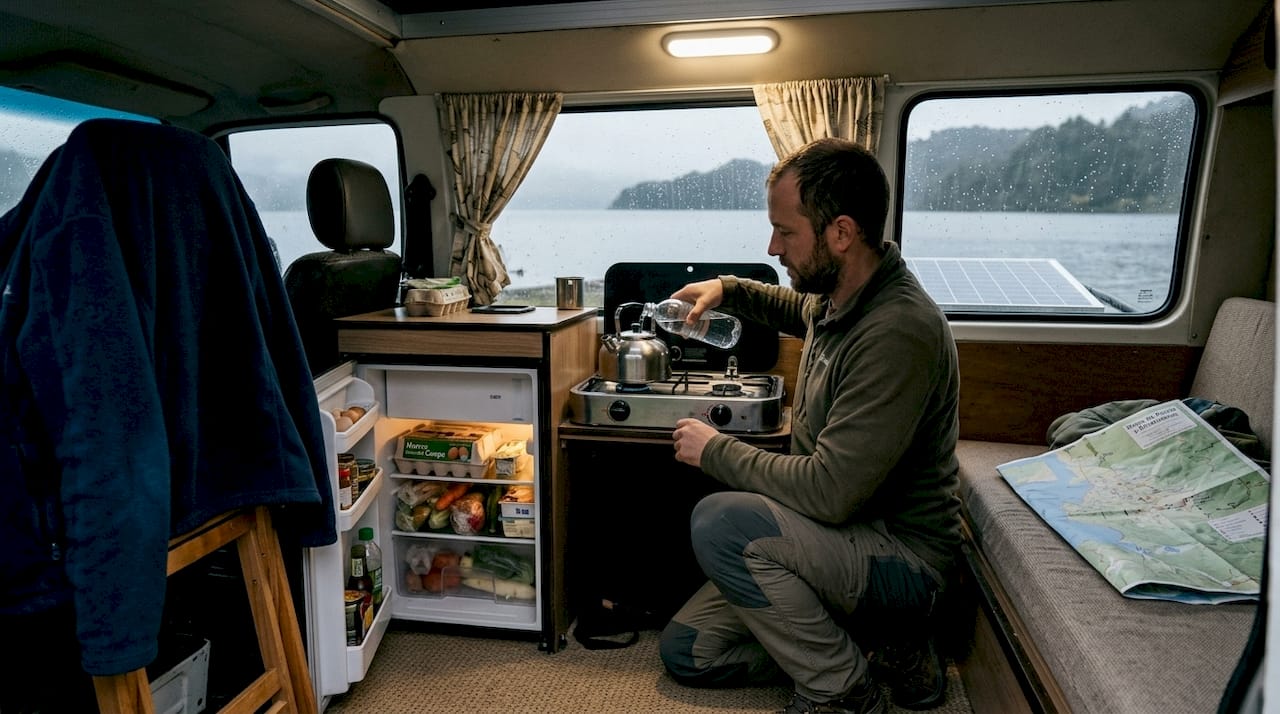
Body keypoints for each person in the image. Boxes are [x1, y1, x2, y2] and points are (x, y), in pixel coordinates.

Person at [657, 137, 961, 714]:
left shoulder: (898, 330)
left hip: (902, 563)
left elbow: (830, 491)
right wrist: (728, 287)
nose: (773, 247)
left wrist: (717, 450)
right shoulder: (837, 296)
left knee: (722, 521)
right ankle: (876, 650)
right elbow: (791, 307)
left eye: (786, 232)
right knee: (690, 652)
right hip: (836, 543)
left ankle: (841, 690)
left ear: (841, 234)